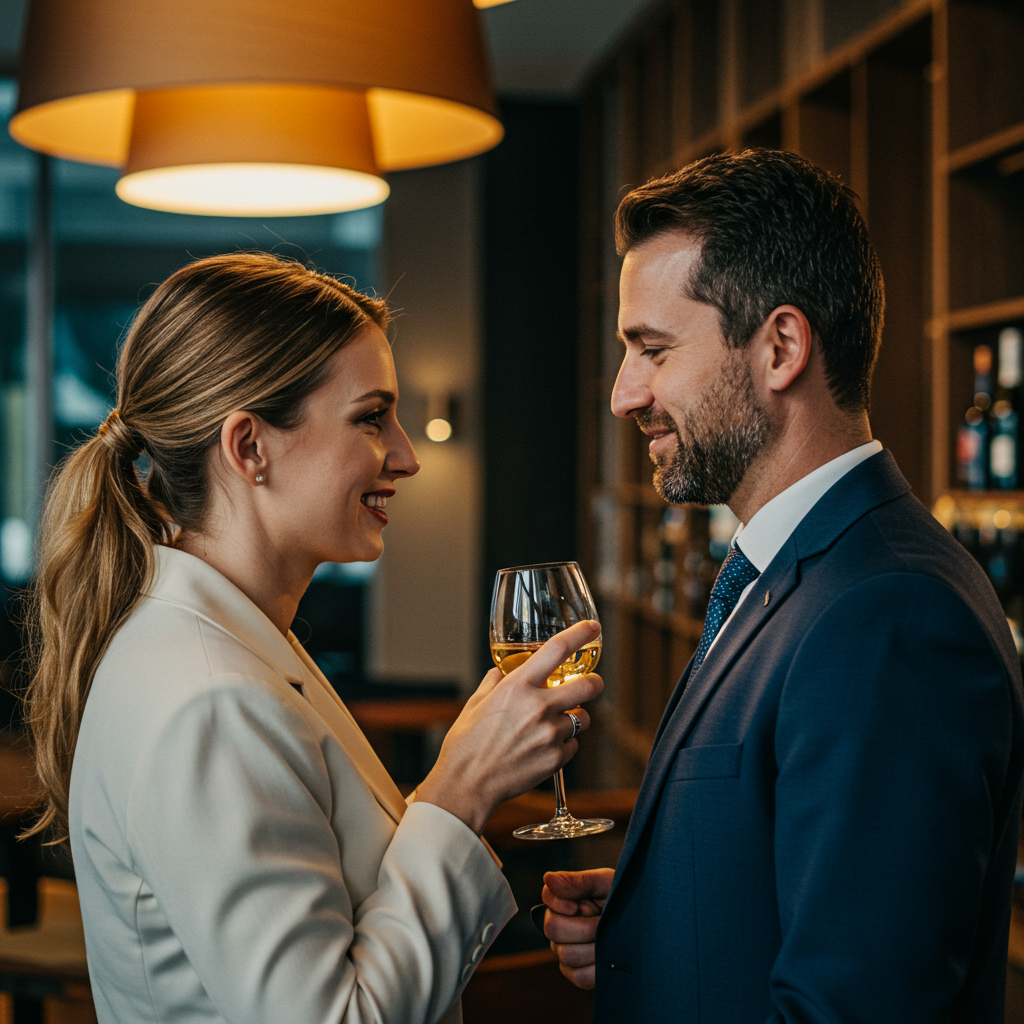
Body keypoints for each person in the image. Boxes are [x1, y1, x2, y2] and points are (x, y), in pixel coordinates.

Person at [23, 252, 602, 1024]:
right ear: (249, 447)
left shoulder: (243, 639)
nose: (407, 455)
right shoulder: (209, 697)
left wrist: (455, 781)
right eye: (371, 417)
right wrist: (460, 793)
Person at [541, 149, 1024, 1022]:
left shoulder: (890, 617)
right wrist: (653, 926)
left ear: (782, 348)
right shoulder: (792, 575)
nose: (623, 395)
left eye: (651, 350)